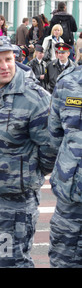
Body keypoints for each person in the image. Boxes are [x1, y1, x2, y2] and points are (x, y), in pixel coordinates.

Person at [0, 36, 56, 267]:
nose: (5, 66)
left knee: (12, 262)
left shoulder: (34, 98)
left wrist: (26, 173)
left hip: (16, 202)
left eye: (8, 59)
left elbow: (51, 149)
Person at [47, 60, 82, 268]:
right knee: (64, 259)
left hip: (72, 188)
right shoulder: (67, 83)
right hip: (71, 200)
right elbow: (53, 136)